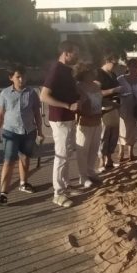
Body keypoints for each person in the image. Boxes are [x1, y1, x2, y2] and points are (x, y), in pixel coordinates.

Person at [0, 64, 43, 206]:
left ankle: (24, 183)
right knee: (9, 162)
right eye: (18, 77)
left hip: (28, 131)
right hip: (10, 132)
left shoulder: (32, 93)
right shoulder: (5, 93)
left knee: (25, 158)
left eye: (23, 76)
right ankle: (3, 193)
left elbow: (37, 114)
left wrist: (40, 131)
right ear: (11, 78)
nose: (21, 79)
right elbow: (0, 114)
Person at [40, 40, 80, 208]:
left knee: (67, 153)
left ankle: (65, 185)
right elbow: (44, 96)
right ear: (66, 53)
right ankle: (58, 193)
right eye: (75, 53)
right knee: (61, 155)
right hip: (60, 118)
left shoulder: (66, 71)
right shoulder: (56, 70)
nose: (77, 56)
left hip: (68, 117)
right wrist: (67, 105)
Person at [74, 63, 103, 189]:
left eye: (92, 72)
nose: (92, 75)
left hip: (97, 119)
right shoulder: (78, 87)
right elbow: (78, 105)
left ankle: (91, 171)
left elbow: (101, 100)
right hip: (85, 121)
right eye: (88, 73)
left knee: (94, 148)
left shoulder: (97, 85)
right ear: (82, 74)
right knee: (83, 150)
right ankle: (83, 176)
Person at [117, 58, 137, 161]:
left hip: (136, 107)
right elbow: (116, 93)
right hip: (123, 107)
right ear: (128, 67)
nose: (133, 68)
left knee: (134, 129)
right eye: (131, 66)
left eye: (135, 66)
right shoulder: (120, 79)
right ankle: (121, 151)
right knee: (122, 129)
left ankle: (130, 152)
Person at [95, 53, 121, 170]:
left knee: (113, 134)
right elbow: (96, 92)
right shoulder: (98, 74)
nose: (115, 65)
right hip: (104, 107)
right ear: (107, 61)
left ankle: (109, 158)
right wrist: (113, 90)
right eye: (114, 63)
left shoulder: (113, 74)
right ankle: (101, 160)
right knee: (104, 135)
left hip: (114, 106)